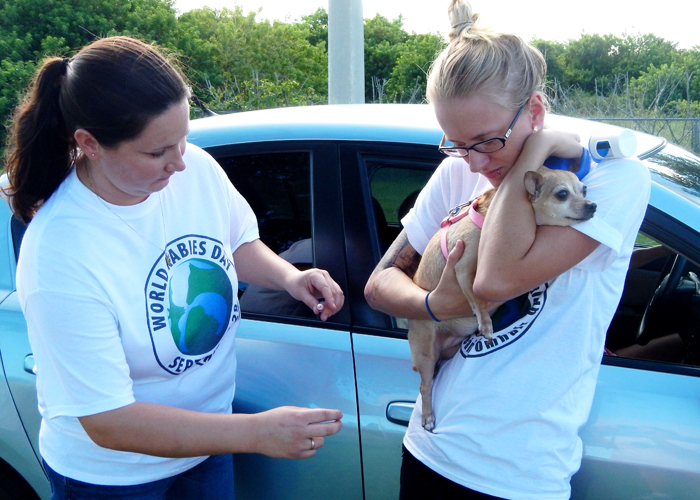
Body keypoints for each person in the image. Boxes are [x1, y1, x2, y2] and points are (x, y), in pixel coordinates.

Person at [4, 36, 344, 499]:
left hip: (206, 446)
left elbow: (237, 241)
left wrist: (290, 277)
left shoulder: (197, 170)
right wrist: (255, 434)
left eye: (183, 140)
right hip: (114, 478)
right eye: (157, 152)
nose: (180, 163)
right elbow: (110, 421)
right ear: (89, 143)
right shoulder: (60, 251)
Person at [364, 1, 650, 499]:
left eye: (487, 141)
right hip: (431, 451)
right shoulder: (464, 168)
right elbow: (380, 284)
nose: (473, 164)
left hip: (521, 475)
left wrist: (535, 154)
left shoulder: (612, 182)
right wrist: (435, 305)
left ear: (535, 111)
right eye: (456, 144)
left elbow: (495, 280)